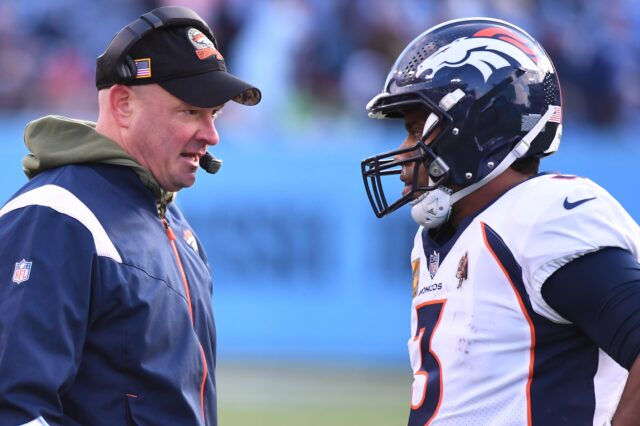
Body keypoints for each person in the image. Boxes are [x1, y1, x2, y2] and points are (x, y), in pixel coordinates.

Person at [360, 17, 640, 425]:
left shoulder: (540, 216)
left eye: (417, 128)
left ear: (476, 126)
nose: (404, 154)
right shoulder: (437, 239)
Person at [0, 6, 260, 426]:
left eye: (215, 114)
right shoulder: (54, 215)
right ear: (123, 105)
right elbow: (16, 410)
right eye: (191, 110)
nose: (212, 135)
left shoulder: (178, 229)